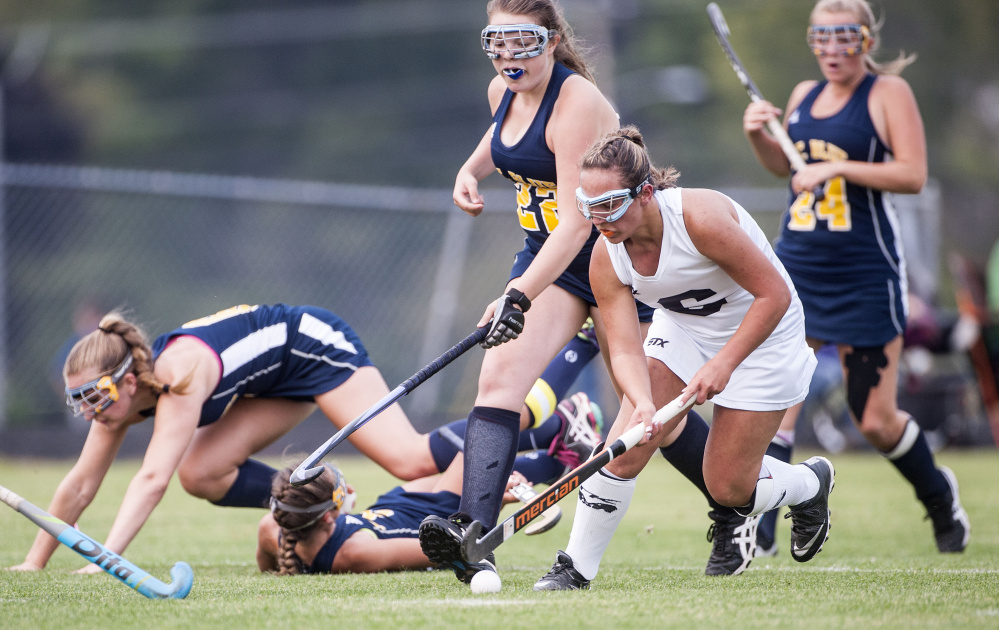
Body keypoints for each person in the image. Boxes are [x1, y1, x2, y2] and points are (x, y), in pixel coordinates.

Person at [5, 303, 602, 572]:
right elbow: (82, 482)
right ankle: (319, 503)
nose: (89, 411)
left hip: (313, 347)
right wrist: (36, 563)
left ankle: (557, 400)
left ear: (129, 378)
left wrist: (108, 558)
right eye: (79, 401)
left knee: (412, 460)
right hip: (274, 382)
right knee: (202, 473)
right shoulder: (125, 403)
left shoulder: (179, 376)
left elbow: (150, 477)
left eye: (95, 396)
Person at [417, 0, 661, 587]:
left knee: (651, 417)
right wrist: (468, 170)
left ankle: (739, 502)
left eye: (523, 41)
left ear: (552, 40)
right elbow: (501, 137)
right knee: (498, 382)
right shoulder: (501, 92)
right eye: (496, 41)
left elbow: (579, 222)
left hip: (612, 258)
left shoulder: (576, 102)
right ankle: (472, 538)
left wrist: (518, 294)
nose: (509, 55)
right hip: (548, 260)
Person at [532, 125, 835, 590]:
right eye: (587, 206)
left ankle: (809, 484)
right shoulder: (605, 256)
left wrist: (725, 362)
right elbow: (626, 348)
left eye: (609, 205)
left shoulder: (700, 218)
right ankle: (574, 568)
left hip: (766, 333)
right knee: (625, 445)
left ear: (646, 193)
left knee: (729, 487)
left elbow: (773, 295)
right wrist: (641, 402)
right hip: (686, 328)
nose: (598, 218)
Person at [742, 0, 968, 556]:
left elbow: (913, 175)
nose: (832, 48)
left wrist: (838, 167)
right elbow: (787, 170)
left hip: (865, 271)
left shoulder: (888, 95)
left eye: (845, 36)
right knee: (777, 400)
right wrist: (759, 139)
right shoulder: (802, 96)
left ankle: (940, 498)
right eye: (821, 36)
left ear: (866, 40)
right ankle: (765, 527)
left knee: (875, 420)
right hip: (798, 266)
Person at [257, 451, 560, 578]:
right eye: (340, 492)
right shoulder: (355, 553)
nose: (347, 489)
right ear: (327, 518)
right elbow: (449, 548)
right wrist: (493, 503)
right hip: (427, 519)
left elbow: (267, 564)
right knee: (477, 453)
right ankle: (559, 452)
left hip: (390, 507)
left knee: (474, 459)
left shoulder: (271, 527)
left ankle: (557, 451)